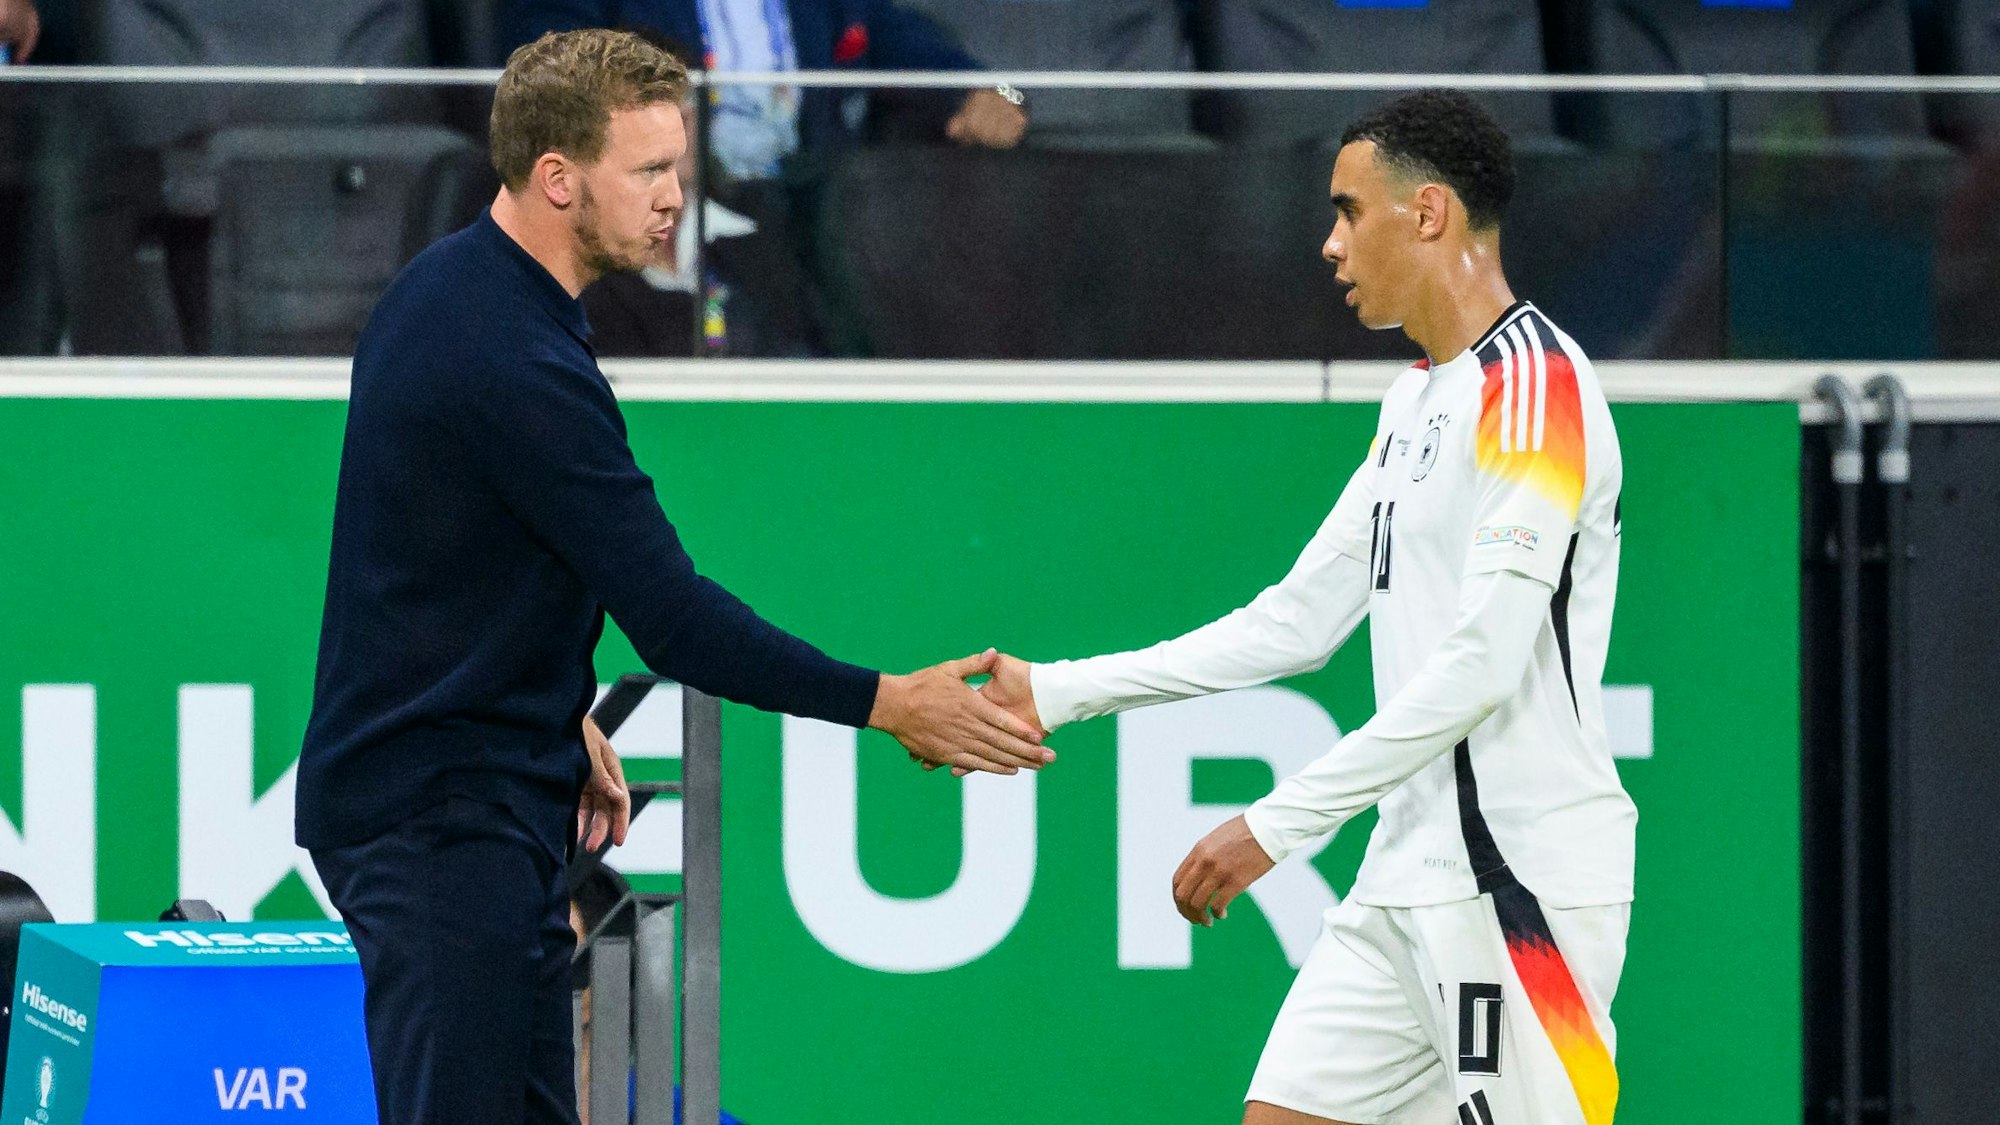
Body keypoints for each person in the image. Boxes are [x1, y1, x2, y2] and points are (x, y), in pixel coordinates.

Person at [295, 29, 1049, 1125]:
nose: (674, 197)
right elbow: (676, 621)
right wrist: (891, 705)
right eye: (647, 171)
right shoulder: (512, 357)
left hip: (467, 794)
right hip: (437, 828)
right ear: (558, 178)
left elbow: (444, 559)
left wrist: (554, 714)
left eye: (678, 168)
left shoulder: (450, 288)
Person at [979, 90, 1634, 1125]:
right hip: (1400, 881)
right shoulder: (1414, 400)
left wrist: (1278, 826)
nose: (1328, 244)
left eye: (1346, 211)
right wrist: (1058, 691)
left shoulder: (1537, 394)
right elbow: (1294, 619)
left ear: (1426, 215)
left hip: (1521, 891)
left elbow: (1481, 663)